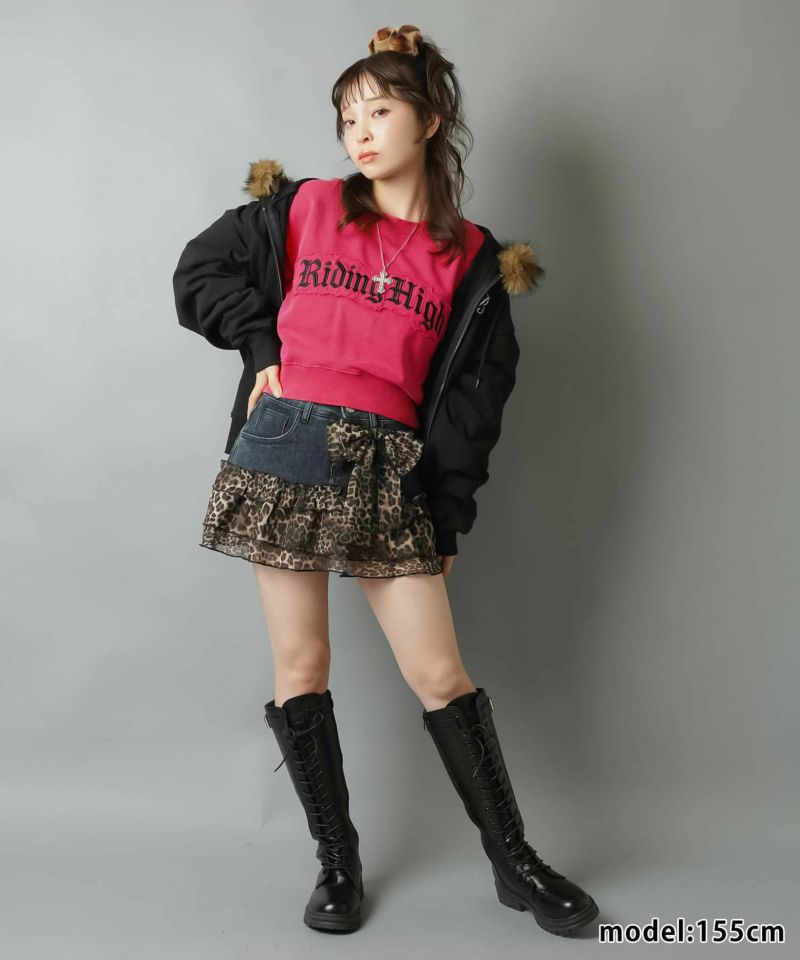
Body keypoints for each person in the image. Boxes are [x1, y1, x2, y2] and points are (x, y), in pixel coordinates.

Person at [172, 23, 598, 938]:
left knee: (439, 671)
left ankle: (515, 863)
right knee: (302, 664)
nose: (358, 132)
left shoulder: (472, 258)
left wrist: (445, 514)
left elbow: (475, 405)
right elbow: (199, 270)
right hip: (287, 440)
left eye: (378, 111)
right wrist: (260, 346)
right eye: (346, 118)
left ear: (430, 118)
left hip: (387, 465)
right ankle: (338, 863)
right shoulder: (306, 206)